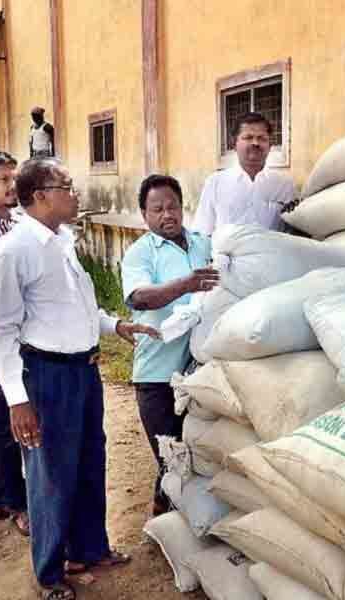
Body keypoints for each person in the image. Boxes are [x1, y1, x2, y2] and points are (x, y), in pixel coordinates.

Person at [0, 157, 158, 600]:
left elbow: (75, 305)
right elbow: (2, 331)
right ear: (40, 196)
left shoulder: (62, 240)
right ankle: (49, 571)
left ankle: (89, 548)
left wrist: (114, 326)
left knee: (88, 463)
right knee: (49, 475)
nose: (75, 192)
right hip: (45, 377)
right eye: (66, 186)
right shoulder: (13, 251)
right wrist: (17, 400)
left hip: (84, 371)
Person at [120, 174, 220, 516]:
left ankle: (186, 518)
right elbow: (139, 298)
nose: (167, 214)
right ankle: (163, 519)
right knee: (170, 455)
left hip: (199, 370)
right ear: (144, 215)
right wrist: (186, 285)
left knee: (196, 452)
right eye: (157, 209)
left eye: (173, 206)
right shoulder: (139, 253)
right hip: (157, 375)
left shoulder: (202, 243)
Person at [0, 148, 30, 536]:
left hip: (12, 338)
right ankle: (15, 501)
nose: (12, 186)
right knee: (4, 420)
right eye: (3, 179)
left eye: (14, 178)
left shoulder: (9, 221)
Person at [192, 112, 295, 235]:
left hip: (271, 253)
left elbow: (293, 230)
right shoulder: (215, 182)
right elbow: (202, 232)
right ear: (234, 144)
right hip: (227, 254)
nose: (255, 143)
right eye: (248, 137)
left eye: (262, 138)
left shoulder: (284, 185)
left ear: (270, 145)